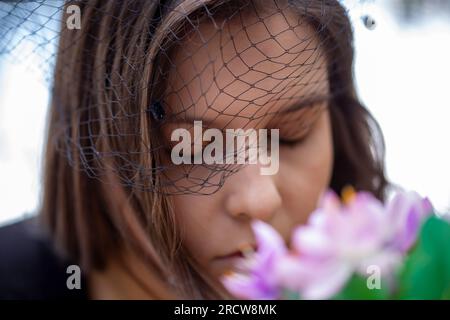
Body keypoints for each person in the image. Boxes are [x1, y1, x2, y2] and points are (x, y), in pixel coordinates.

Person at [0, 0, 387, 299]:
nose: (260, 199)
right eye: (196, 150)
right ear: (98, 143)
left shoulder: (391, 270)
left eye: (290, 136)